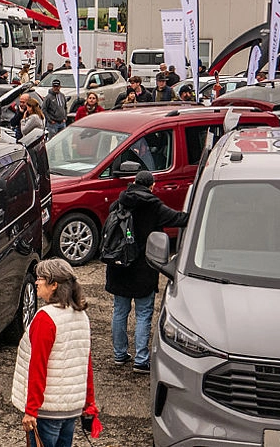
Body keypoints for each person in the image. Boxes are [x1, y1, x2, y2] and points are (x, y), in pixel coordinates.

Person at [105, 171, 188, 373]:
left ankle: (119, 354)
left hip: (119, 265)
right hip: (143, 268)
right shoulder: (154, 206)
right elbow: (178, 219)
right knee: (143, 314)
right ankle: (141, 360)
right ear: (151, 186)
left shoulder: (119, 203)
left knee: (120, 311)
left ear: (134, 183)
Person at [11, 259, 94, 447]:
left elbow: (38, 366)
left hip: (47, 411)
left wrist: (31, 410)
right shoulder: (81, 315)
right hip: (71, 409)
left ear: (54, 284)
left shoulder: (45, 319)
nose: (36, 282)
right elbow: (85, 363)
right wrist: (89, 402)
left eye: (40, 278)